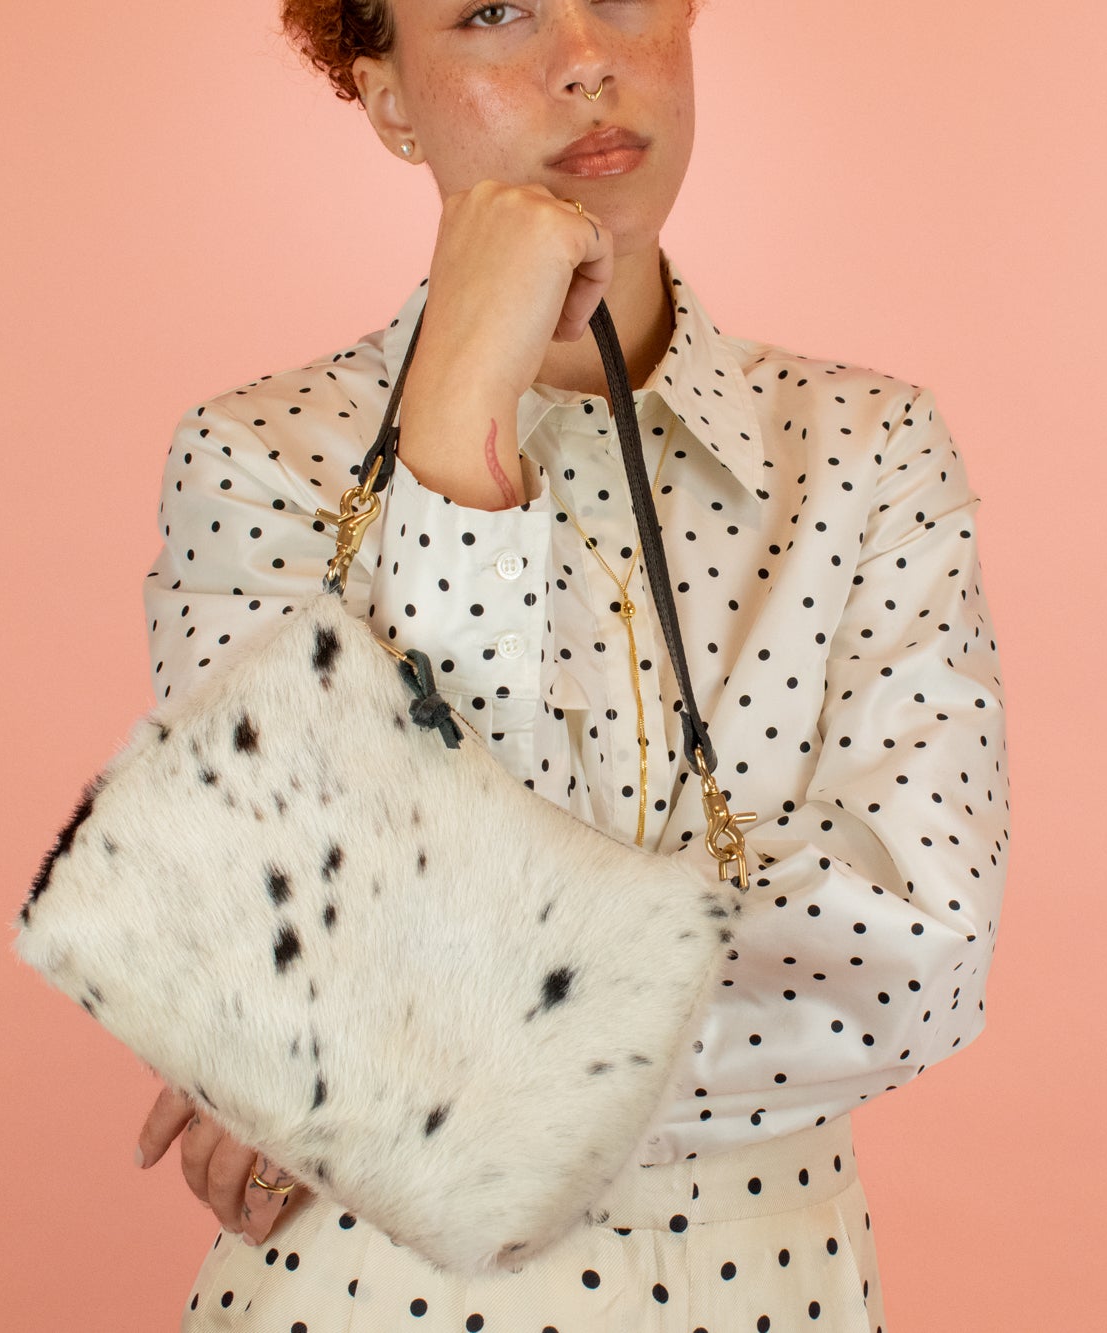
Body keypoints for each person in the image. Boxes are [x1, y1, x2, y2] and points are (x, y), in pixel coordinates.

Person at [131, 0, 1010, 1327]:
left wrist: (385, 1054)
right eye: (494, 11)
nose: (588, 55)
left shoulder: (866, 454)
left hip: (773, 1294)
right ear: (386, 96)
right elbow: (313, 939)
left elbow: (915, 959)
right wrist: (454, 440)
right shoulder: (263, 465)